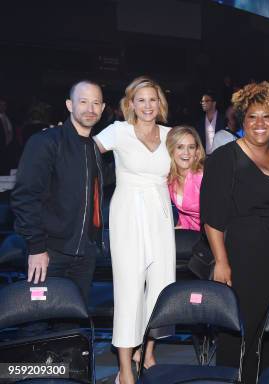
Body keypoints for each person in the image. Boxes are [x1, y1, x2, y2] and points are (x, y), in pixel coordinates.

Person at [200, 81, 269, 382]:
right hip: (242, 259)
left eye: (266, 117)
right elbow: (212, 216)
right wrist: (221, 261)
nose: (260, 123)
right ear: (242, 120)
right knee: (238, 331)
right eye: (253, 116)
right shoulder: (225, 157)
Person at [94, 76, 176, 384]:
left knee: (160, 286)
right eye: (140, 100)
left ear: (160, 103)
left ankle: (148, 351)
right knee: (128, 290)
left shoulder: (171, 134)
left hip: (160, 215)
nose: (147, 105)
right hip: (127, 212)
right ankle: (125, 368)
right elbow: (84, 152)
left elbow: (191, 168)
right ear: (130, 104)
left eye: (152, 99)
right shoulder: (118, 131)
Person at [11, 80, 105, 303]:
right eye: (83, 101)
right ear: (69, 105)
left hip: (84, 256)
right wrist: (36, 248)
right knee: (36, 323)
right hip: (49, 253)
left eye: (95, 103)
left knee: (71, 326)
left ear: (102, 108)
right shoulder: (45, 142)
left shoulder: (93, 149)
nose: (90, 109)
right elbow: (25, 197)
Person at [167, 125, 205, 230]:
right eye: (180, 147)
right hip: (191, 233)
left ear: (197, 152)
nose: (186, 152)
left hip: (215, 236)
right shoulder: (170, 179)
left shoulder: (202, 178)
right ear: (171, 150)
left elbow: (218, 216)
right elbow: (184, 216)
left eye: (191, 147)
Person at [196, 90, 225, 155]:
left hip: (221, 156)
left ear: (214, 103)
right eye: (202, 101)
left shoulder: (224, 119)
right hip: (205, 158)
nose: (203, 103)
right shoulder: (200, 122)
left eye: (206, 101)